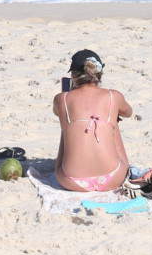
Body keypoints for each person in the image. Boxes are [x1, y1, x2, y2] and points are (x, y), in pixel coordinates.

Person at [52, 49, 133, 192]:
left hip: (70, 180)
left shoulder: (61, 99)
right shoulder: (113, 96)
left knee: (67, 124)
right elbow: (128, 113)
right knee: (111, 118)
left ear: (73, 76)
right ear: (99, 73)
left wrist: (68, 94)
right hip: (113, 177)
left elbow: (56, 112)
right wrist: (112, 113)